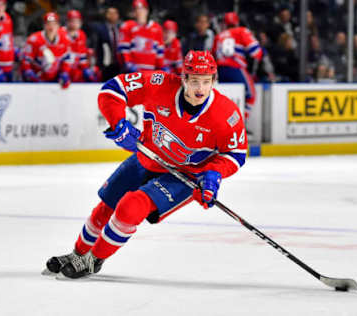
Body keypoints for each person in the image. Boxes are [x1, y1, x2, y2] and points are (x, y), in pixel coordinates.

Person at [44, 50, 248, 279]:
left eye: (206, 82)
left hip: (185, 174)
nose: (200, 89)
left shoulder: (226, 114)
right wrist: (118, 124)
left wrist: (212, 175)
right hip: (147, 156)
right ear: (183, 78)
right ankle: (77, 254)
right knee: (106, 205)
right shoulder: (159, 84)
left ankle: (94, 260)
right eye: (194, 81)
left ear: (214, 81)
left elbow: (236, 154)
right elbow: (112, 89)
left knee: (131, 206)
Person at [212, 11, 262, 119]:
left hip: (220, 71)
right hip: (236, 68)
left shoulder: (219, 36)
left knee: (223, 100)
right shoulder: (242, 31)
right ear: (237, 22)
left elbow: (213, 56)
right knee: (251, 96)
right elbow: (256, 51)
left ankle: (223, 126)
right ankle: (241, 125)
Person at [20, 12, 71, 88]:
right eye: (48, 24)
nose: (51, 27)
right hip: (37, 78)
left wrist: (64, 72)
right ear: (44, 26)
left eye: (54, 24)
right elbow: (25, 59)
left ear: (58, 26)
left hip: (55, 79)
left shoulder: (65, 39)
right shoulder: (34, 39)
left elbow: (67, 59)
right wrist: (28, 72)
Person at [118, 0, 164, 73]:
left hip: (151, 71)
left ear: (147, 10)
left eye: (141, 8)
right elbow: (123, 49)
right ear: (133, 12)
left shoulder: (157, 28)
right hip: (132, 72)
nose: (139, 12)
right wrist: (128, 64)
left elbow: (160, 50)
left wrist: (160, 66)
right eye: (136, 9)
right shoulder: (127, 26)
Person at [63, 10, 98, 82]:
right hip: (62, 69)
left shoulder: (81, 34)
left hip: (75, 68)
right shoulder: (60, 33)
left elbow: (82, 54)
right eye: (72, 21)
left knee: (95, 71)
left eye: (77, 21)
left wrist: (85, 68)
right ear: (67, 22)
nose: (74, 24)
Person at [91, 6, 121, 81]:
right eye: (110, 13)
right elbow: (96, 47)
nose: (113, 15)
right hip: (105, 66)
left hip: (119, 66)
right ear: (106, 15)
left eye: (115, 13)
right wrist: (97, 65)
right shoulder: (100, 29)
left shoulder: (121, 28)